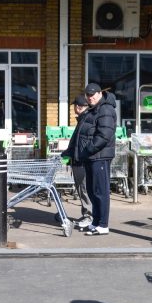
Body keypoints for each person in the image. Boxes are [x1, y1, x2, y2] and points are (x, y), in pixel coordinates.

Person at [75, 83, 117, 236]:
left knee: (101, 191)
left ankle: (103, 224)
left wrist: (88, 149)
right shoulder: (93, 109)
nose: (90, 97)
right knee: (93, 191)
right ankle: (96, 222)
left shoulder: (106, 109)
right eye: (87, 95)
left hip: (100, 156)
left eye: (92, 94)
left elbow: (104, 135)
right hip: (91, 157)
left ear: (100, 94)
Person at [61, 94, 93, 230]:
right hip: (79, 160)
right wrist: (67, 153)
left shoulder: (86, 120)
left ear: (79, 107)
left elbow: (83, 143)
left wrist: (75, 155)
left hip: (82, 161)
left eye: (75, 106)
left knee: (84, 189)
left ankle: (89, 216)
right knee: (82, 189)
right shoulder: (83, 119)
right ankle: (87, 214)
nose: (73, 108)